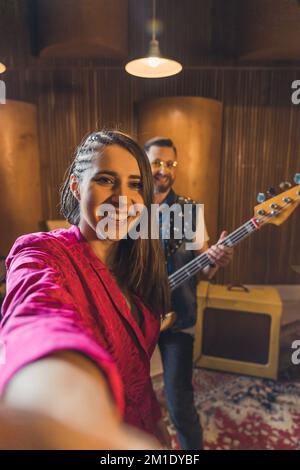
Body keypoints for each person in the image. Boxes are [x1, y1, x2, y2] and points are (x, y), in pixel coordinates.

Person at [0, 130, 171, 449]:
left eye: (135, 185)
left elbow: (139, 373)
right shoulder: (42, 252)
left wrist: (157, 423)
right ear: (77, 188)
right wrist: (53, 408)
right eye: (106, 180)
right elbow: (38, 315)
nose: (123, 198)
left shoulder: (138, 265)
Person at [145, 137, 234, 450]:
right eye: (156, 162)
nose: (163, 170)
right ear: (144, 164)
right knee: (130, 401)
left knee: (180, 403)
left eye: (170, 164)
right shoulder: (127, 209)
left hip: (178, 318)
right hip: (134, 318)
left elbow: (204, 270)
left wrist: (216, 262)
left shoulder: (189, 212)